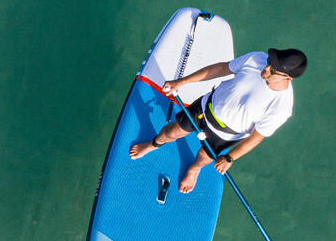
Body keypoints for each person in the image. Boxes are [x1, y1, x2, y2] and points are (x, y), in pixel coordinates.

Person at [130, 47, 306, 193]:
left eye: (273, 69)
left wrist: (230, 157)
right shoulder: (256, 59)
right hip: (205, 108)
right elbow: (221, 69)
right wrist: (181, 82)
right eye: (269, 61)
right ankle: (153, 144)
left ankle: (195, 169)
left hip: (225, 135)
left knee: (203, 157)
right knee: (170, 132)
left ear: (288, 78)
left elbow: (257, 137)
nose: (266, 68)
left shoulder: (282, 107)